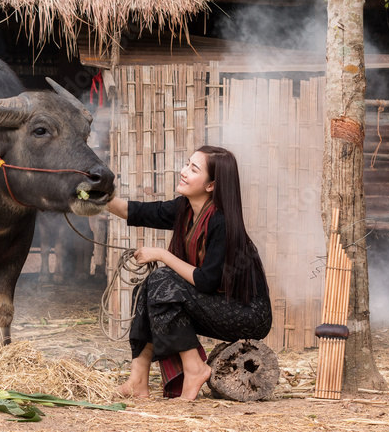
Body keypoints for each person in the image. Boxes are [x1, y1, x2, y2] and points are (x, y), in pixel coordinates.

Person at [105, 145, 272, 401]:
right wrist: (92, 196)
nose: (183, 172)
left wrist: (161, 254)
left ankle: (195, 368)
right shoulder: (183, 208)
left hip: (246, 313)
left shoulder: (222, 222)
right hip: (215, 304)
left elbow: (206, 282)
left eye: (193, 169)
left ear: (211, 186)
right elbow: (132, 210)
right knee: (149, 287)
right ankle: (137, 380)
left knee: (162, 279)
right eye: (186, 164)